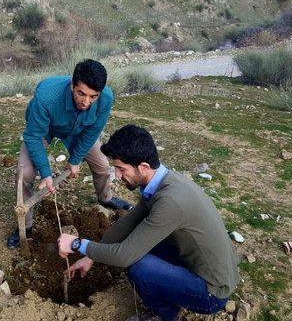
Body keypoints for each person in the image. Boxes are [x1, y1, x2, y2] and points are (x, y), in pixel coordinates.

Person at [57, 125, 240, 321]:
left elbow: (124, 256)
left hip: (211, 293)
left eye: (121, 169)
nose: (117, 176)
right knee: (135, 244)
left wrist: (77, 244)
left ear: (143, 167)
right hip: (202, 265)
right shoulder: (163, 181)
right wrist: (91, 256)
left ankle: (166, 315)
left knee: (136, 265)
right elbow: (129, 222)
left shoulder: (170, 201)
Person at [7, 59, 132, 249]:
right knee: (24, 174)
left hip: (79, 130)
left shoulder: (106, 98)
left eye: (92, 96)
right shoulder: (46, 97)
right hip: (45, 128)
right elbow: (33, 136)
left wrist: (75, 160)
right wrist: (46, 173)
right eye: (81, 93)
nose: (86, 102)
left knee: (103, 166)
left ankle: (105, 198)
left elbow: (93, 131)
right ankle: (26, 226)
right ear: (72, 84)